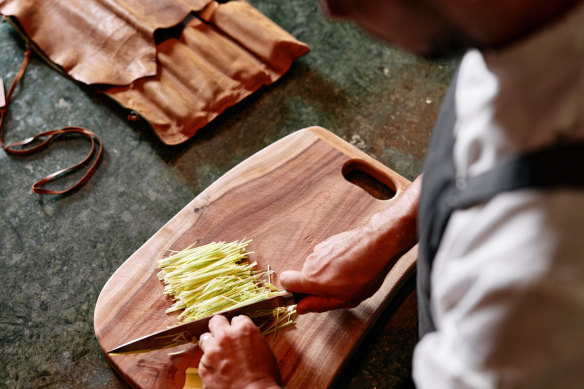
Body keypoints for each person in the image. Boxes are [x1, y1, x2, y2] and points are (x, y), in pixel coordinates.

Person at [196, 0, 584, 387]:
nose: (331, 10)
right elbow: (497, 138)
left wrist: (251, 384)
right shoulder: (517, 28)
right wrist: (393, 226)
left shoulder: (528, 286)